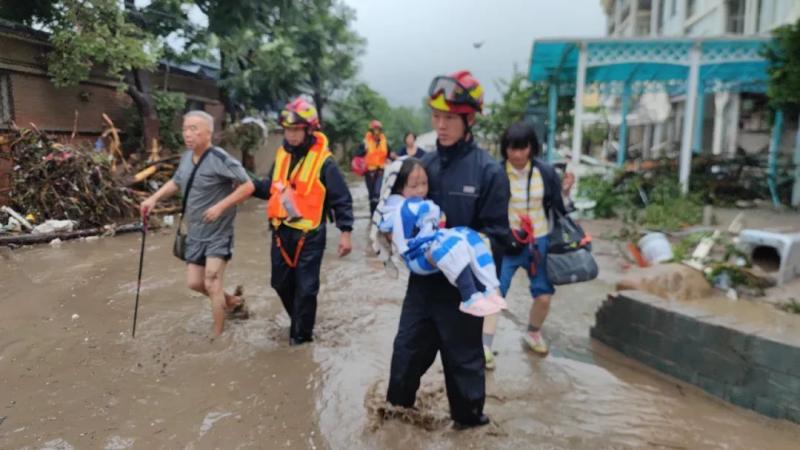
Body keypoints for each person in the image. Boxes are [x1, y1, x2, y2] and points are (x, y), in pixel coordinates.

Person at [386, 70, 510, 429]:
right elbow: (398, 212)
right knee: (403, 364)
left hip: (463, 294)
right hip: (422, 290)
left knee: (464, 375)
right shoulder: (423, 166)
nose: (441, 125)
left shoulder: (488, 172)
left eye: (450, 118)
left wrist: (461, 254)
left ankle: (470, 429)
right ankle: (394, 432)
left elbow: (496, 238)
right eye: (436, 117)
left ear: (469, 119)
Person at [140, 110, 255, 337]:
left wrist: (220, 206)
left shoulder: (220, 159)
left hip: (219, 233)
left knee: (212, 283)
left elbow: (248, 186)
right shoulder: (185, 157)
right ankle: (233, 302)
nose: (188, 134)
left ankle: (218, 337)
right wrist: (153, 198)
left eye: (194, 129)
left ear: (208, 133)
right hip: (195, 232)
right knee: (194, 283)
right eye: (185, 129)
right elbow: (176, 181)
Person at [252, 98, 354, 346]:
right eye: (288, 130)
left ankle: (301, 340)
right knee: (279, 283)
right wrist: (247, 185)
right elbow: (271, 188)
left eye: (296, 130)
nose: (291, 135)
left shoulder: (325, 162)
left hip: (310, 236)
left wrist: (345, 232)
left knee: (307, 289)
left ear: (310, 130)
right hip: (280, 231)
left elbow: (342, 198)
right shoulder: (282, 156)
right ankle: (300, 320)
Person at [481, 121, 574, 367]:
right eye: (513, 149)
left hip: (539, 243)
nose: (518, 154)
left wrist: (565, 192)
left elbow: (559, 207)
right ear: (505, 149)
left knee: (543, 295)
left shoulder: (545, 172)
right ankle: (484, 347)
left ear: (532, 148)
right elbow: (486, 208)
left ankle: (533, 332)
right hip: (508, 243)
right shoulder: (495, 173)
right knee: (495, 293)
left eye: (524, 148)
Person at [377, 158, 507, 317]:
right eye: (413, 186)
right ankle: (470, 297)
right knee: (450, 245)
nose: (420, 190)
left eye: (424, 184)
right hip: (416, 256)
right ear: (398, 187)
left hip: (431, 246)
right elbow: (389, 227)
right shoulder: (395, 207)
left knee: (468, 235)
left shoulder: (419, 203)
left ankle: (489, 288)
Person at [356, 120, 390, 216]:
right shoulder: (365, 142)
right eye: (375, 130)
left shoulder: (384, 141)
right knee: (371, 195)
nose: (377, 132)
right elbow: (358, 154)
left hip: (380, 171)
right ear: (371, 131)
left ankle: (377, 214)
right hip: (369, 172)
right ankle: (372, 215)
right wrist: (364, 149)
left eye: (378, 130)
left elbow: (388, 153)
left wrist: (392, 159)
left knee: (377, 193)